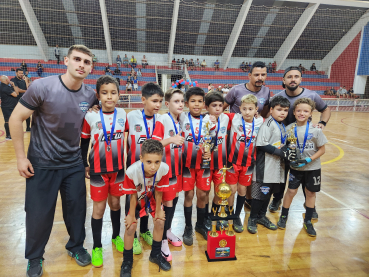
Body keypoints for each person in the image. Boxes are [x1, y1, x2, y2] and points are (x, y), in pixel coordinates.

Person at [9, 45, 97, 277]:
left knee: (77, 210)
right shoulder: (42, 87)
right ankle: (34, 257)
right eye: (77, 59)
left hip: (73, 164)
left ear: (91, 67)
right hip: (42, 163)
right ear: (66, 61)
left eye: (87, 62)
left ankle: (76, 246)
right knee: (39, 213)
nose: (81, 64)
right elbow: (15, 119)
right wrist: (20, 158)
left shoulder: (89, 95)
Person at [268, 67, 331, 216]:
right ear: (284, 80)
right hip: (284, 142)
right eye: (289, 77)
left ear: (300, 79)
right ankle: (277, 199)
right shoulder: (277, 96)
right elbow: (267, 113)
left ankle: (310, 206)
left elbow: (326, 109)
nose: (293, 79)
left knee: (306, 171)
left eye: (296, 76)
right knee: (282, 174)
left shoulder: (312, 95)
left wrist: (322, 123)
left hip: (303, 142)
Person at [80, 75, 127, 267]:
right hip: (98, 171)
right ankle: (97, 246)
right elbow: (84, 142)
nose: (109, 97)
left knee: (116, 204)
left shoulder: (123, 115)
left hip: (118, 170)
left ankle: (116, 237)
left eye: (113, 93)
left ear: (118, 95)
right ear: (98, 95)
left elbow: (132, 140)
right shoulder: (90, 115)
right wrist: (84, 163)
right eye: (104, 93)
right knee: (98, 209)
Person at [120, 139, 172, 276]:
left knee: (160, 221)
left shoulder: (164, 169)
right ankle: (127, 261)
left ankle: (155, 254)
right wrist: (131, 215)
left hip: (153, 195)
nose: (153, 167)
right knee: (130, 226)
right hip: (137, 197)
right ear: (141, 158)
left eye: (157, 162)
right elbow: (132, 195)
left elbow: (159, 190)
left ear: (161, 159)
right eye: (149, 162)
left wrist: (159, 210)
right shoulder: (131, 171)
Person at [223, 61, 271, 207]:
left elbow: (266, 111)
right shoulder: (236, 90)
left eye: (263, 75)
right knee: (233, 174)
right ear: (250, 75)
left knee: (249, 171)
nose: (260, 77)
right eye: (256, 75)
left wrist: (262, 123)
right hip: (235, 137)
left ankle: (247, 201)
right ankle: (230, 206)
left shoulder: (266, 91)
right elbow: (222, 108)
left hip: (252, 137)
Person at [277, 98, 327, 237]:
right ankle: (283, 216)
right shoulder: (289, 129)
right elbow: (283, 146)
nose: (301, 113)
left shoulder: (316, 130)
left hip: (313, 168)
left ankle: (308, 221)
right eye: (298, 110)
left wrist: (308, 159)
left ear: (311, 113)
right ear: (294, 112)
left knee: (310, 193)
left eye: (305, 111)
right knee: (291, 192)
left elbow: (322, 150)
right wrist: (286, 153)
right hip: (295, 168)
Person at [124, 83, 164, 255]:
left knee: (147, 199)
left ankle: (144, 230)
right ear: (143, 100)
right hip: (134, 170)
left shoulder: (160, 119)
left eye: (160, 101)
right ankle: (132, 236)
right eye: (154, 101)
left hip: (151, 170)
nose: (158, 105)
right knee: (132, 201)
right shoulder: (131, 116)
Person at [247, 96, 295, 234]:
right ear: (272, 109)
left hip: (276, 167)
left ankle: (261, 216)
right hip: (265, 167)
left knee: (268, 194)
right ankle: (252, 218)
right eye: (279, 109)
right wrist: (282, 153)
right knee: (260, 194)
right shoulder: (268, 124)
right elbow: (261, 144)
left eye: (285, 110)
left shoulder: (281, 125)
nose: (282, 113)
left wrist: (287, 150)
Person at [152, 88, 185, 261]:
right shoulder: (163, 120)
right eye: (176, 101)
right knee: (167, 202)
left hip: (177, 168)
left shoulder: (179, 120)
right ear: (167, 104)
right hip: (165, 170)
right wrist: (171, 140)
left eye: (182, 101)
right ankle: (163, 239)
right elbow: (153, 144)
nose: (180, 104)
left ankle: (169, 230)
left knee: (174, 199)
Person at [223, 94, 264, 233]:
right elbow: (217, 113)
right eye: (244, 108)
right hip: (233, 162)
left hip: (248, 163)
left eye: (250, 109)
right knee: (232, 190)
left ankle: (236, 216)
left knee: (242, 191)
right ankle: (229, 212)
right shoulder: (233, 118)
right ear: (239, 108)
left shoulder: (261, 121)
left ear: (256, 110)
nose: (247, 112)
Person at [179, 87, 214, 245]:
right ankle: (188, 227)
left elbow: (211, 140)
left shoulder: (209, 120)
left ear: (204, 104)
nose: (197, 104)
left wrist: (209, 150)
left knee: (202, 195)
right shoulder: (181, 117)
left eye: (200, 101)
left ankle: (200, 225)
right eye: (193, 101)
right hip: (187, 164)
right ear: (187, 103)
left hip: (204, 164)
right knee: (188, 195)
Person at [204, 92, 230, 231]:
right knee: (205, 192)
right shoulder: (203, 120)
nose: (218, 108)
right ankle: (206, 216)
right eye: (214, 105)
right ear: (207, 106)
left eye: (221, 105)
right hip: (207, 163)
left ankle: (215, 214)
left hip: (221, 163)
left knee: (220, 191)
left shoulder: (227, 118)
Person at [0, 75, 19, 139]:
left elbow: (17, 93)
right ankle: (8, 135)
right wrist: (13, 86)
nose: (9, 80)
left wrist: (13, 86)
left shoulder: (4, 86)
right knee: (8, 121)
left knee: (10, 120)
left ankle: (10, 134)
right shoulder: (5, 88)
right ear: (6, 80)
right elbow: (16, 94)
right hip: (7, 107)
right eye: (8, 79)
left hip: (9, 106)